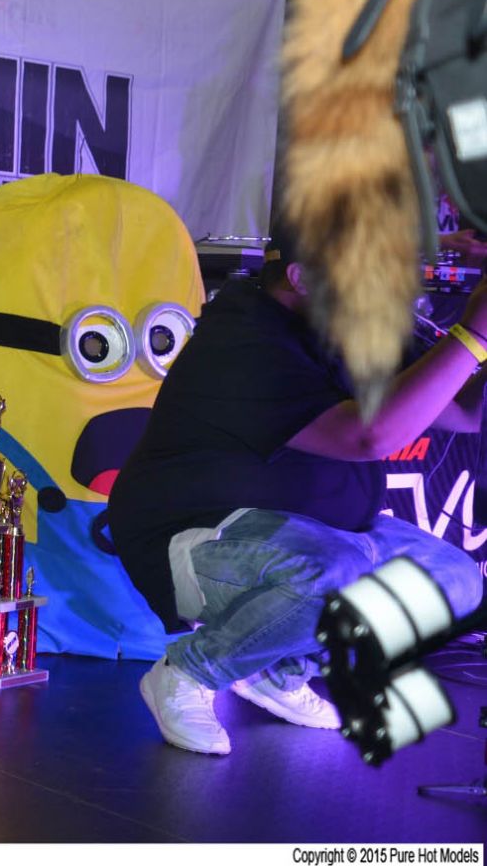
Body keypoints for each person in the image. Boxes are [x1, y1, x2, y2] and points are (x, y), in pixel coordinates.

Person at [107, 226, 485, 755]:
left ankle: (278, 668)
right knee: (330, 573)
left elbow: (465, 411)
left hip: (318, 534)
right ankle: (188, 670)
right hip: (194, 539)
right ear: (301, 277)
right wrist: (473, 334)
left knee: (455, 581)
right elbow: (368, 436)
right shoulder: (241, 341)